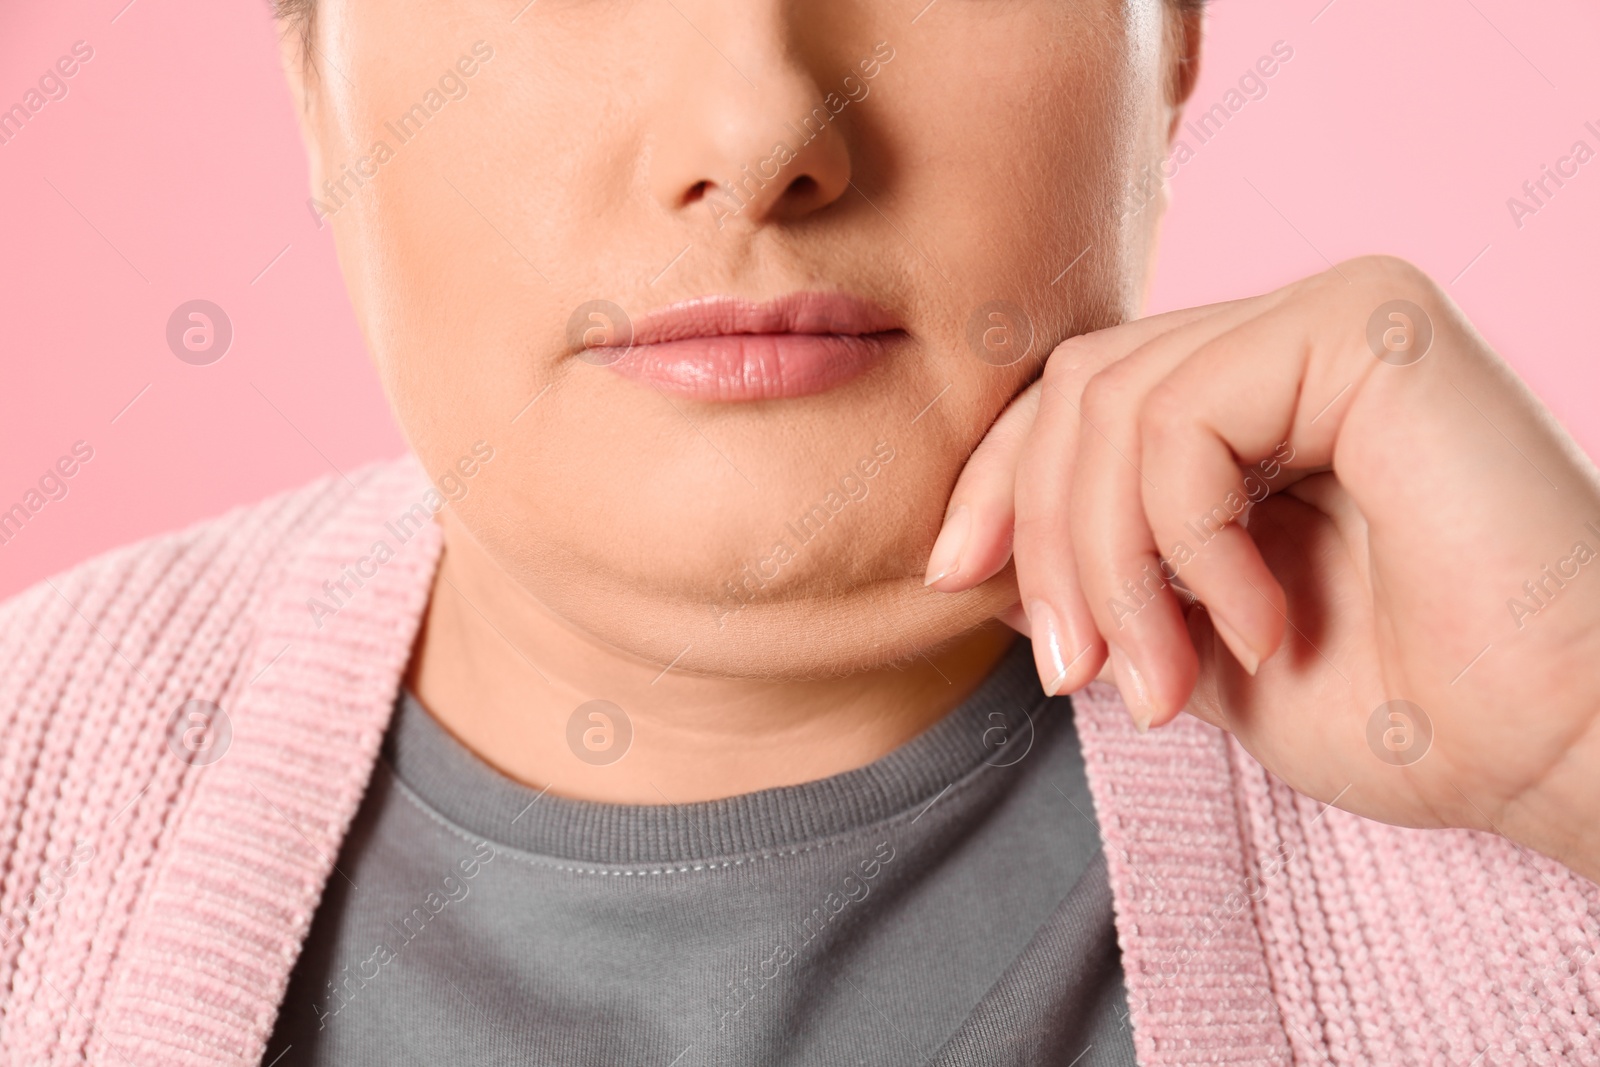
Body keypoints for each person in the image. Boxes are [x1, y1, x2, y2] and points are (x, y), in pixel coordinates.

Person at [1, 0, 1597, 1063]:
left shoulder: (1530, 785)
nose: (759, 135)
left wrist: (1581, 751)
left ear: (1167, 46)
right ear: (312, 87)